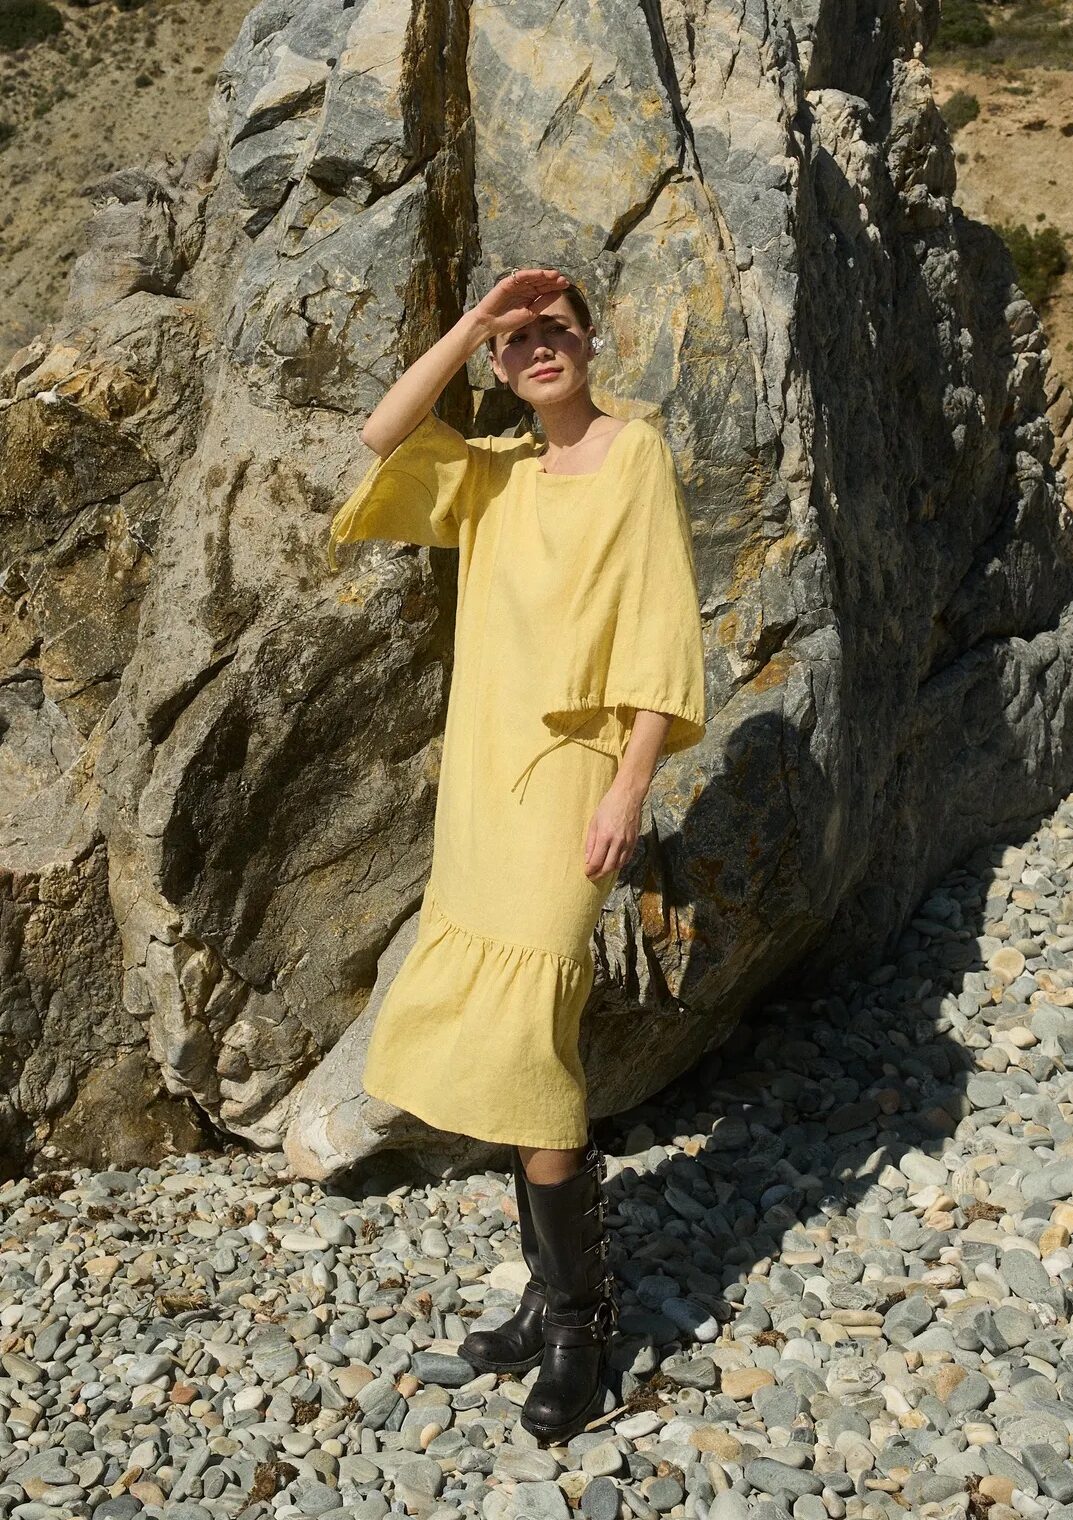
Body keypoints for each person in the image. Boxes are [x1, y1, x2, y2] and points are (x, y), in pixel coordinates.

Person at [326, 267, 707, 1443]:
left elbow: (662, 621)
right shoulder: (492, 477)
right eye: (521, 340)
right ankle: (551, 1294)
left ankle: (581, 1326)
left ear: (593, 342)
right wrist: (472, 321)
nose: (541, 349)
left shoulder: (636, 457)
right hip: (486, 787)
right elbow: (384, 430)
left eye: (557, 330)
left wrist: (632, 784)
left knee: (535, 1029)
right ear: (501, 363)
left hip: (572, 783)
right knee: (506, 1037)